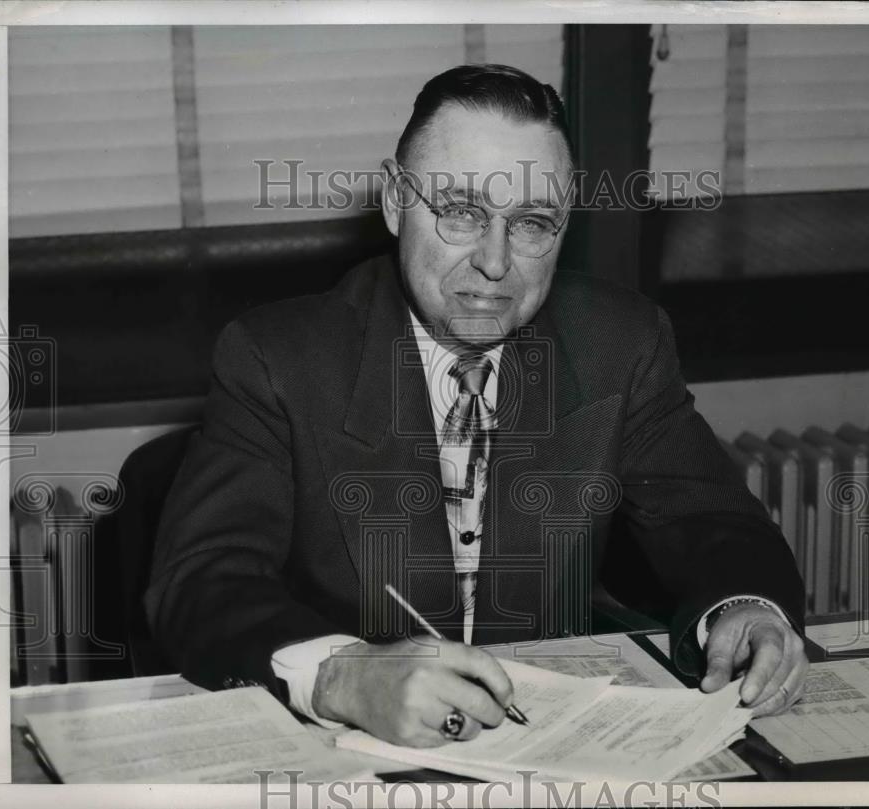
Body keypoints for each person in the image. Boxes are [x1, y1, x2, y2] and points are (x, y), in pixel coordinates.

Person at [145, 64, 808, 749]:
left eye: (531, 223)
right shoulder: (278, 356)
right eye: (461, 212)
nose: (495, 263)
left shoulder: (620, 343)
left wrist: (747, 608)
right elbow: (200, 581)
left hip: (555, 745)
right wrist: (345, 674)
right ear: (398, 202)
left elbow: (714, 521)